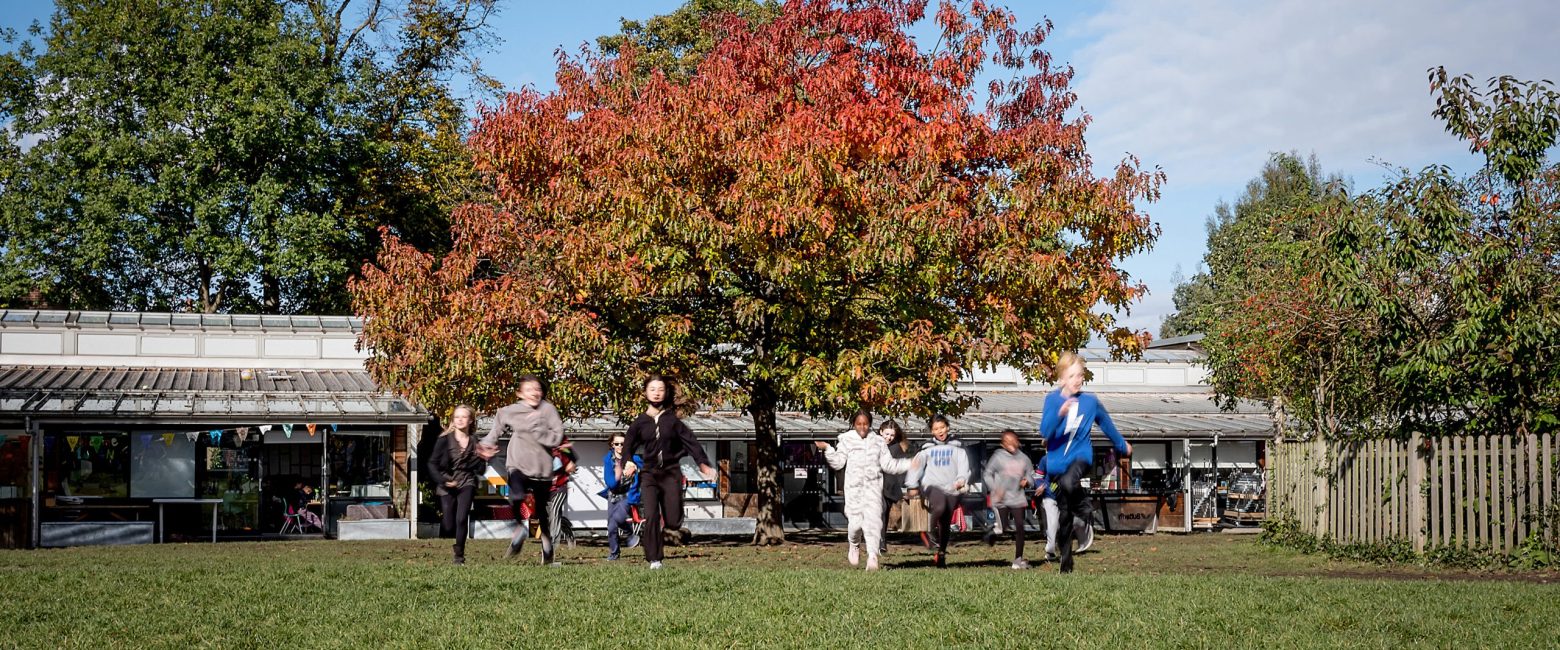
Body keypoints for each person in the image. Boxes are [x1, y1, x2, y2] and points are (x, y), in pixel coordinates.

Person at [1040, 352, 1130, 573]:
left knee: (1071, 484)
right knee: (1064, 516)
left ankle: (1086, 508)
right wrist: (1059, 414)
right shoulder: (1052, 400)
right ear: (1061, 379)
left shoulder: (1090, 401)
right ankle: (1066, 561)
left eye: (1080, 375)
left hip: (1080, 458)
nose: (1077, 380)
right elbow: (1045, 431)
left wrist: (1121, 445)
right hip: (1057, 464)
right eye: (1072, 376)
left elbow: (1106, 423)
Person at [618, 375, 716, 569]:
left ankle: (672, 525)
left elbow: (691, 443)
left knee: (672, 520)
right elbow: (628, 446)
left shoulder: (672, 421)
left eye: (660, 389)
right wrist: (627, 462)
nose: (656, 393)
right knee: (652, 515)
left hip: (670, 472)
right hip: (649, 474)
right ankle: (655, 558)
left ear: (666, 393)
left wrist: (703, 464)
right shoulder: (639, 423)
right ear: (645, 392)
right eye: (652, 389)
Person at [481, 375, 566, 566]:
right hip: (517, 462)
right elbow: (498, 422)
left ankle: (546, 544)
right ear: (520, 393)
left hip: (542, 467)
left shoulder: (548, 410)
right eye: (529, 389)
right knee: (516, 495)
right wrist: (488, 442)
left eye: (537, 389)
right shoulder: (512, 410)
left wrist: (540, 431)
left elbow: (558, 435)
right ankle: (519, 529)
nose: (534, 393)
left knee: (542, 511)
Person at [815, 410, 914, 571]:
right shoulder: (847, 440)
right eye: (859, 424)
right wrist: (827, 448)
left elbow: (889, 465)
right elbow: (839, 463)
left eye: (865, 424)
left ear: (870, 424)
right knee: (855, 525)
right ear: (854, 424)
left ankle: (873, 557)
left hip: (873, 490)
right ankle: (854, 544)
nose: (862, 427)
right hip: (854, 490)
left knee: (873, 523)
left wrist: (909, 463)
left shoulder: (878, 442)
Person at [427, 405, 492, 565]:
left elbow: (480, 470)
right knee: (449, 525)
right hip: (447, 482)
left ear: (470, 420)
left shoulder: (475, 441)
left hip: (466, 482)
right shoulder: (444, 440)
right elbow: (432, 464)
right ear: (453, 420)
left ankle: (459, 556)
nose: (460, 420)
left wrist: (483, 458)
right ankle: (453, 539)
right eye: (457, 417)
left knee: (462, 518)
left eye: (464, 417)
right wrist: (444, 481)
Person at [904, 414, 969, 568]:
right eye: (936, 429)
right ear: (931, 431)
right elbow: (916, 467)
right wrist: (912, 485)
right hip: (932, 485)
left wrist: (961, 480)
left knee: (945, 522)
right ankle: (927, 530)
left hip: (952, 488)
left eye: (942, 427)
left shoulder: (957, 447)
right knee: (939, 507)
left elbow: (964, 467)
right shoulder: (927, 448)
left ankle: (941, 555)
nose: (940, 431)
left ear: (947, 427)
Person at [982, 429, 1034, 569]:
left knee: (1020, 527)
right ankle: (994, 531)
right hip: (1001, 498)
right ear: (1002, 444)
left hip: (1017, 498)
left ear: (1017, 441)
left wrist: (1027, 481)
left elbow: (1031, 475)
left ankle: (1018, 560)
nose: (1011, 444)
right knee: (1003, 528)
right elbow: (987, 474)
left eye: (1013, 441)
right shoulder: (998, 457)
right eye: (1007, 442)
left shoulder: (1024, 459)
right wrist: (994, 488)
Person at [599, 432, 643, 560]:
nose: (619, 447)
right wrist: (621, 475)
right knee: (612, 526)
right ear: (612, 445)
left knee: (618, 518)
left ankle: (630, 534)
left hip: (628, 495)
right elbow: (611, 483)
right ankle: (614, 553)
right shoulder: (608, 460)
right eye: (616, 444)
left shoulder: (634, 459)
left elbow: (647, 471)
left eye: (623, 444)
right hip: (613, 495)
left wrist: (636, 470)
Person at [877, 419, 914, 554]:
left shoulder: (896, 448)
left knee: (884, 512)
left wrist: (905, 488)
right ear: (881, 432)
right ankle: (877, 541)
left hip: (888, 487)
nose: (889, 437)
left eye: (891, 435)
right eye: (886, 434)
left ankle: (881, 542)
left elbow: (901, 470)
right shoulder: (872, 445)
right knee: (880, 510)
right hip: (873, 485)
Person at [545, 436, 579, 552]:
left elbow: (573, 458)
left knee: (554, 514)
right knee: (552, 516)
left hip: (560, 487)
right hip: (545, 489)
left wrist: (570, 462)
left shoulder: (560, 440)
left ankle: (551, 548)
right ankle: (567, 530)